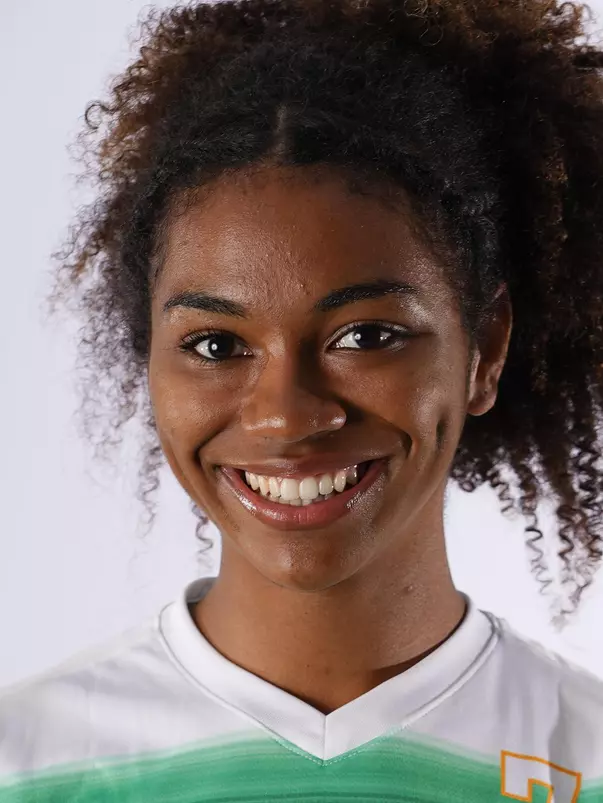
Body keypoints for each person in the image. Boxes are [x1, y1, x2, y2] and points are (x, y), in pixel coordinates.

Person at [2, 0, 603, 799]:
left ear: (483, 349)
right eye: (216, 345)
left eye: (365, 335)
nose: (285, 416)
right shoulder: (30, 765)